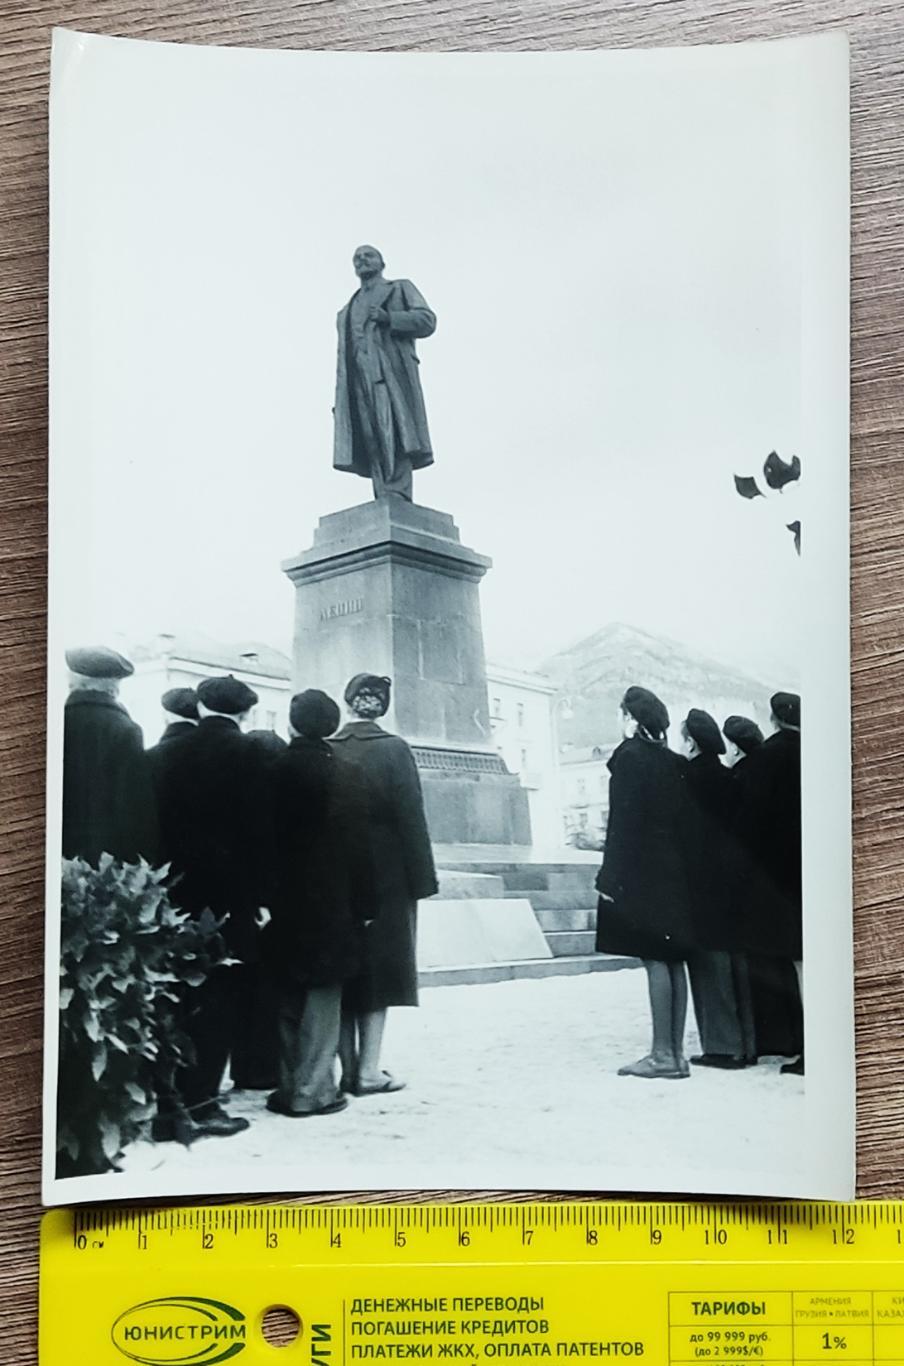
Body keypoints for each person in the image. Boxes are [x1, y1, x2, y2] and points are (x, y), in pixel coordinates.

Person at [155, 673, 275, 1136]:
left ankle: (170, 1100)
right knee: (221, 998)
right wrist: (263, 898)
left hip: (172, 895)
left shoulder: (162, 754)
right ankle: (203, 1102)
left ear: (201, 707)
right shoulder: (251, 755)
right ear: (245, 712)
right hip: (230, 900)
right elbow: (262, 835)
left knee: (177, 995)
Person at [267, 689, 371, 1118]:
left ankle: (291, 1084)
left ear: (292, 724)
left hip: (283, 897)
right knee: (324, 993)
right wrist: (366, 905)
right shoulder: (349, 773)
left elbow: (258, 841)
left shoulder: (272, 770)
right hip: (334, 898)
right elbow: (361, 849)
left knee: (287, 991)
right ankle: (313, 1091)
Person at [332, 672, 438, 1094]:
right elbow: (412, 817)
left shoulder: (329, 746)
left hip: (336, 871)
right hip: (387, 872)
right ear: (381, 707)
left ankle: (346, 1068)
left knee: (341, 970)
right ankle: (370, 1071)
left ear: (348, 702)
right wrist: (422, 880)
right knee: (379, 972)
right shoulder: (395, 750)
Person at [595, 686, 693, 1080]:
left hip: (642, 872)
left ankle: (661, 1055)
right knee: (674, 959)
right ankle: (676, 1053)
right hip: (674, 870)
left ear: (631, 721)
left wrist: (609, 877)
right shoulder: (674, 762)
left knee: (654, 957)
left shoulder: (628, 759)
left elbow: (622, 823)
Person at [724, 713, 801, 1062]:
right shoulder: (791, 753)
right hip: (794, 872)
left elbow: (747, 826)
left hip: (763, 877)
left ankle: (777, 1039)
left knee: (770, 958)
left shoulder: (755, 768)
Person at [681, 708, 755, 1070]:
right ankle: (746, 1043)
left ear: (692, 741)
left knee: (709, 963)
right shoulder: (730, 777)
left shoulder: (687, 778)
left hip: (701, 881)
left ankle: (723, 1047)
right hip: (734, 881)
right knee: (736, 960)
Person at [333, 245, 436, 501]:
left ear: (382, 262)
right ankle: (383, 493)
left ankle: (397, 493)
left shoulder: (399, 288)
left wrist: (390, 318)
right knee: (370, 433)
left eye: (368, 255)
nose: (361, 260)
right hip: (358, 376)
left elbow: (426, 321)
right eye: (356, 258)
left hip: (390, 372)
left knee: (396, 428)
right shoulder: (347, 310)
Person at [62, 645, 158, 866]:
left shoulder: (58, 720)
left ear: (74, 681)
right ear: (114, 686)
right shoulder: (125, 729)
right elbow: (133, 804)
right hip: (101, 857)